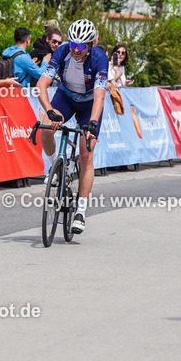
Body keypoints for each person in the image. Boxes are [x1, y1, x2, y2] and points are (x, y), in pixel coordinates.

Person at [35, 18, 109, 235]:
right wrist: (49, 110)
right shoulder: (63, 52)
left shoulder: (99, 59)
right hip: (66, 97)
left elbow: (99, 95)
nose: (76, 50)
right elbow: (41, 84)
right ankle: (53, 167)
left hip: (89, 105)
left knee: (87, 153)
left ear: (91, 45)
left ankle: (81, 211)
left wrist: (93, 123)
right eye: (73, 44)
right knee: (46, 126)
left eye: (81, 46)